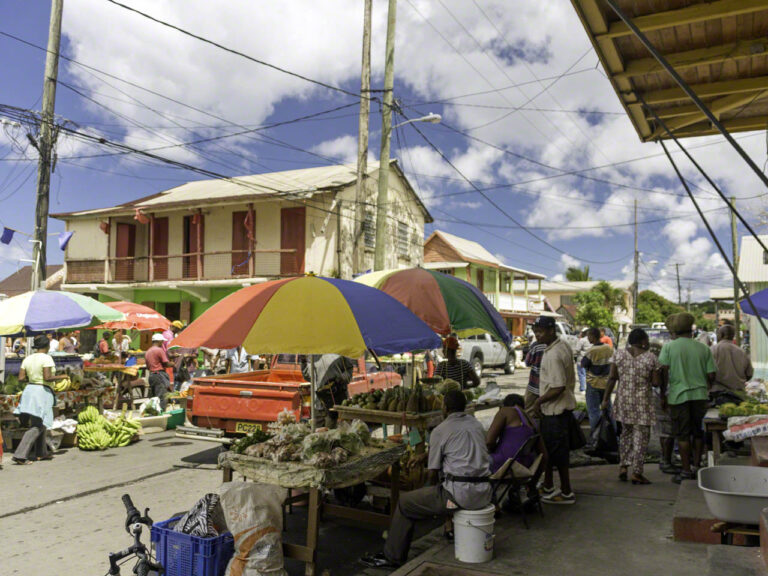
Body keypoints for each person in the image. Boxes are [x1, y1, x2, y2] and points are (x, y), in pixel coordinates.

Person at [361, 390, 491, 568]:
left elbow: (432, 473)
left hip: (460, 495)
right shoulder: (477, 425)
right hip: (484, 492)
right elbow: (456, 449)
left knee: (405, 503)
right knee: (440, 488)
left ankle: (392, 557)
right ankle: (446, 526)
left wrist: (427, 491)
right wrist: (424, 456)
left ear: (445, 407)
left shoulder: (441, 430)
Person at [659, 313, 716, 484]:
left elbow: (663, 372)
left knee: (682, 435)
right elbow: (711, 375)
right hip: (700, 396)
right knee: (698, 432)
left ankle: (685, 471)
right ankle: (697, 467)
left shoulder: (669, 347)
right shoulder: (703, 348)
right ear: (691, 330)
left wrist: (663, 395)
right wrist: (705, 385)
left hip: (678, 396)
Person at [602, 328, 660, 485]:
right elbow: (656, 383)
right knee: (641, 438)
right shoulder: (651, 358)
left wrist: (605, 399)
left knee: (625, 435)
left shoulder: (619, 354)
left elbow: (612, 377)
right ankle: (637, 472)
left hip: (624, 402)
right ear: (643, 341)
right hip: (643, 403)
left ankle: (623, 467)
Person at [532, 315, 577, 505]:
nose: (537, 335)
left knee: (558, 455)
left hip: (556, 411)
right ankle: (548, 484)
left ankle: (566, 492)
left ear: (551, 331)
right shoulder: (561, 345)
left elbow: (558, 386)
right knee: (548, 452)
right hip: (555, 410)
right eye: (536, 332)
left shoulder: (554, 354)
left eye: (541, 332)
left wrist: (538, 402)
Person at [12, 335, 68, 464]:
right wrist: (62, 376)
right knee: (37, 425)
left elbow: (21, 378)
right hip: (41, 392)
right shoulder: (47, 358)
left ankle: (41, 452)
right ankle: (20, 455)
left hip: (29, 390)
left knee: (40, 422)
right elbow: (47, 377)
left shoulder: (28, 358)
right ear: (47, 346)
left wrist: (33, 379)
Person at [486, 393, 545, 475]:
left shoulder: (506, 411)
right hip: (525, 465)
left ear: (505, 405)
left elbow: (489, 442)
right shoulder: (532, 422)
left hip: (506, 463)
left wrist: (492, 450)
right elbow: (544, 454)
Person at [581, 327, 613, 432]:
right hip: (606, 384)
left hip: (593, 384)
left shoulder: (592, 350)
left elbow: (583, 364)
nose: (588, 338)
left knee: (594, 411)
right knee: (608, 410)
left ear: (593, 336)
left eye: (588, 336)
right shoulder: (608, 348)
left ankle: (595, 436)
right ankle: (612, 435)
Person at [710, 324, 753, 395]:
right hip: (738, 393)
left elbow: (709, 374)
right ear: (733, 336)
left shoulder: (712, 350)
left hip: (718, 392)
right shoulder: (741, 351)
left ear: (721, 335)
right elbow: (749, 374)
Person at [146, 333, 174, 411]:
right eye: (162, 341)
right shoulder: (159, 350)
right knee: (162, 397)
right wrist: (172, 363)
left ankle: (153, 412)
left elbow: (148, 366)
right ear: (159, 341)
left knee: (154, 397)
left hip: (152, 375)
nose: (162, 343)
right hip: (159, 375)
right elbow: (166, 363)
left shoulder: (148, 351)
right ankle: (161, 412)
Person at [524, 327, 548, 414]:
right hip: (548, 387)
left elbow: (527, 362)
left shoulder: (535, 346)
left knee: (528, 410)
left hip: (534, 384)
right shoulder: (553, 346)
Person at [573, 328, 591, 393]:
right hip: (590, 360)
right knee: (588, 375)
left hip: (581, 360)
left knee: (581, 374)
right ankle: (588, 389)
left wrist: (572, 354)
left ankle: (583, 389)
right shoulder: (591, 340)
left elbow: (577, 350)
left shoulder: (582, 340)